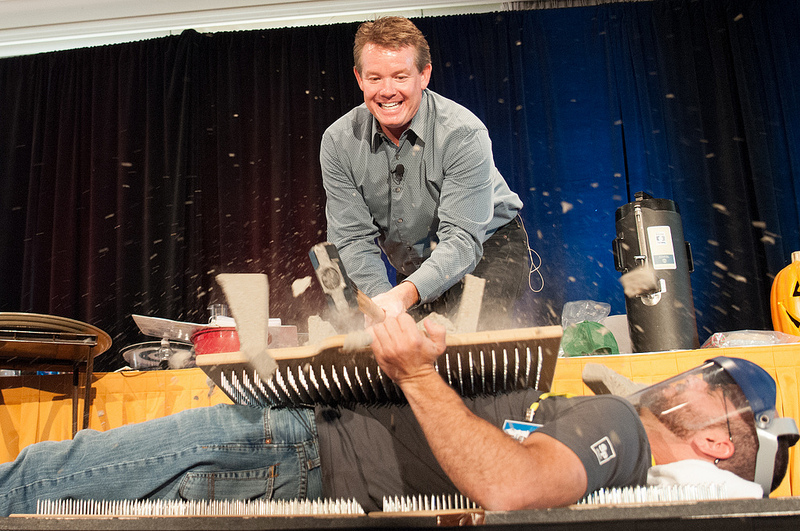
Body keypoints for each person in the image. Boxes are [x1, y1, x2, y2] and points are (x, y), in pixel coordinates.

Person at [0, 314, 796, 516]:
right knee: (58, 493)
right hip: (297, 452)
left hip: (293, 452)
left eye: (715, 385)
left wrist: (417, 372)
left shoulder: (622, 434)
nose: (695, 375)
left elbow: (513, 484)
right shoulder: (614, 411)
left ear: (718, 438)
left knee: (41, 479)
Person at [320, 16, 529, 330]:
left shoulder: (463, 133)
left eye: (400, 76)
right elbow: (352, 240)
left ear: (424, 75)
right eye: (374, 78)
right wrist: (381, 304)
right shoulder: (338, 143)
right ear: (359, 78)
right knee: (407, 352)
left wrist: (402, 297)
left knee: (467, 351)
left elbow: (461, 240)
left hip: (486, 249)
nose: (387, 91)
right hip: (413, 261)